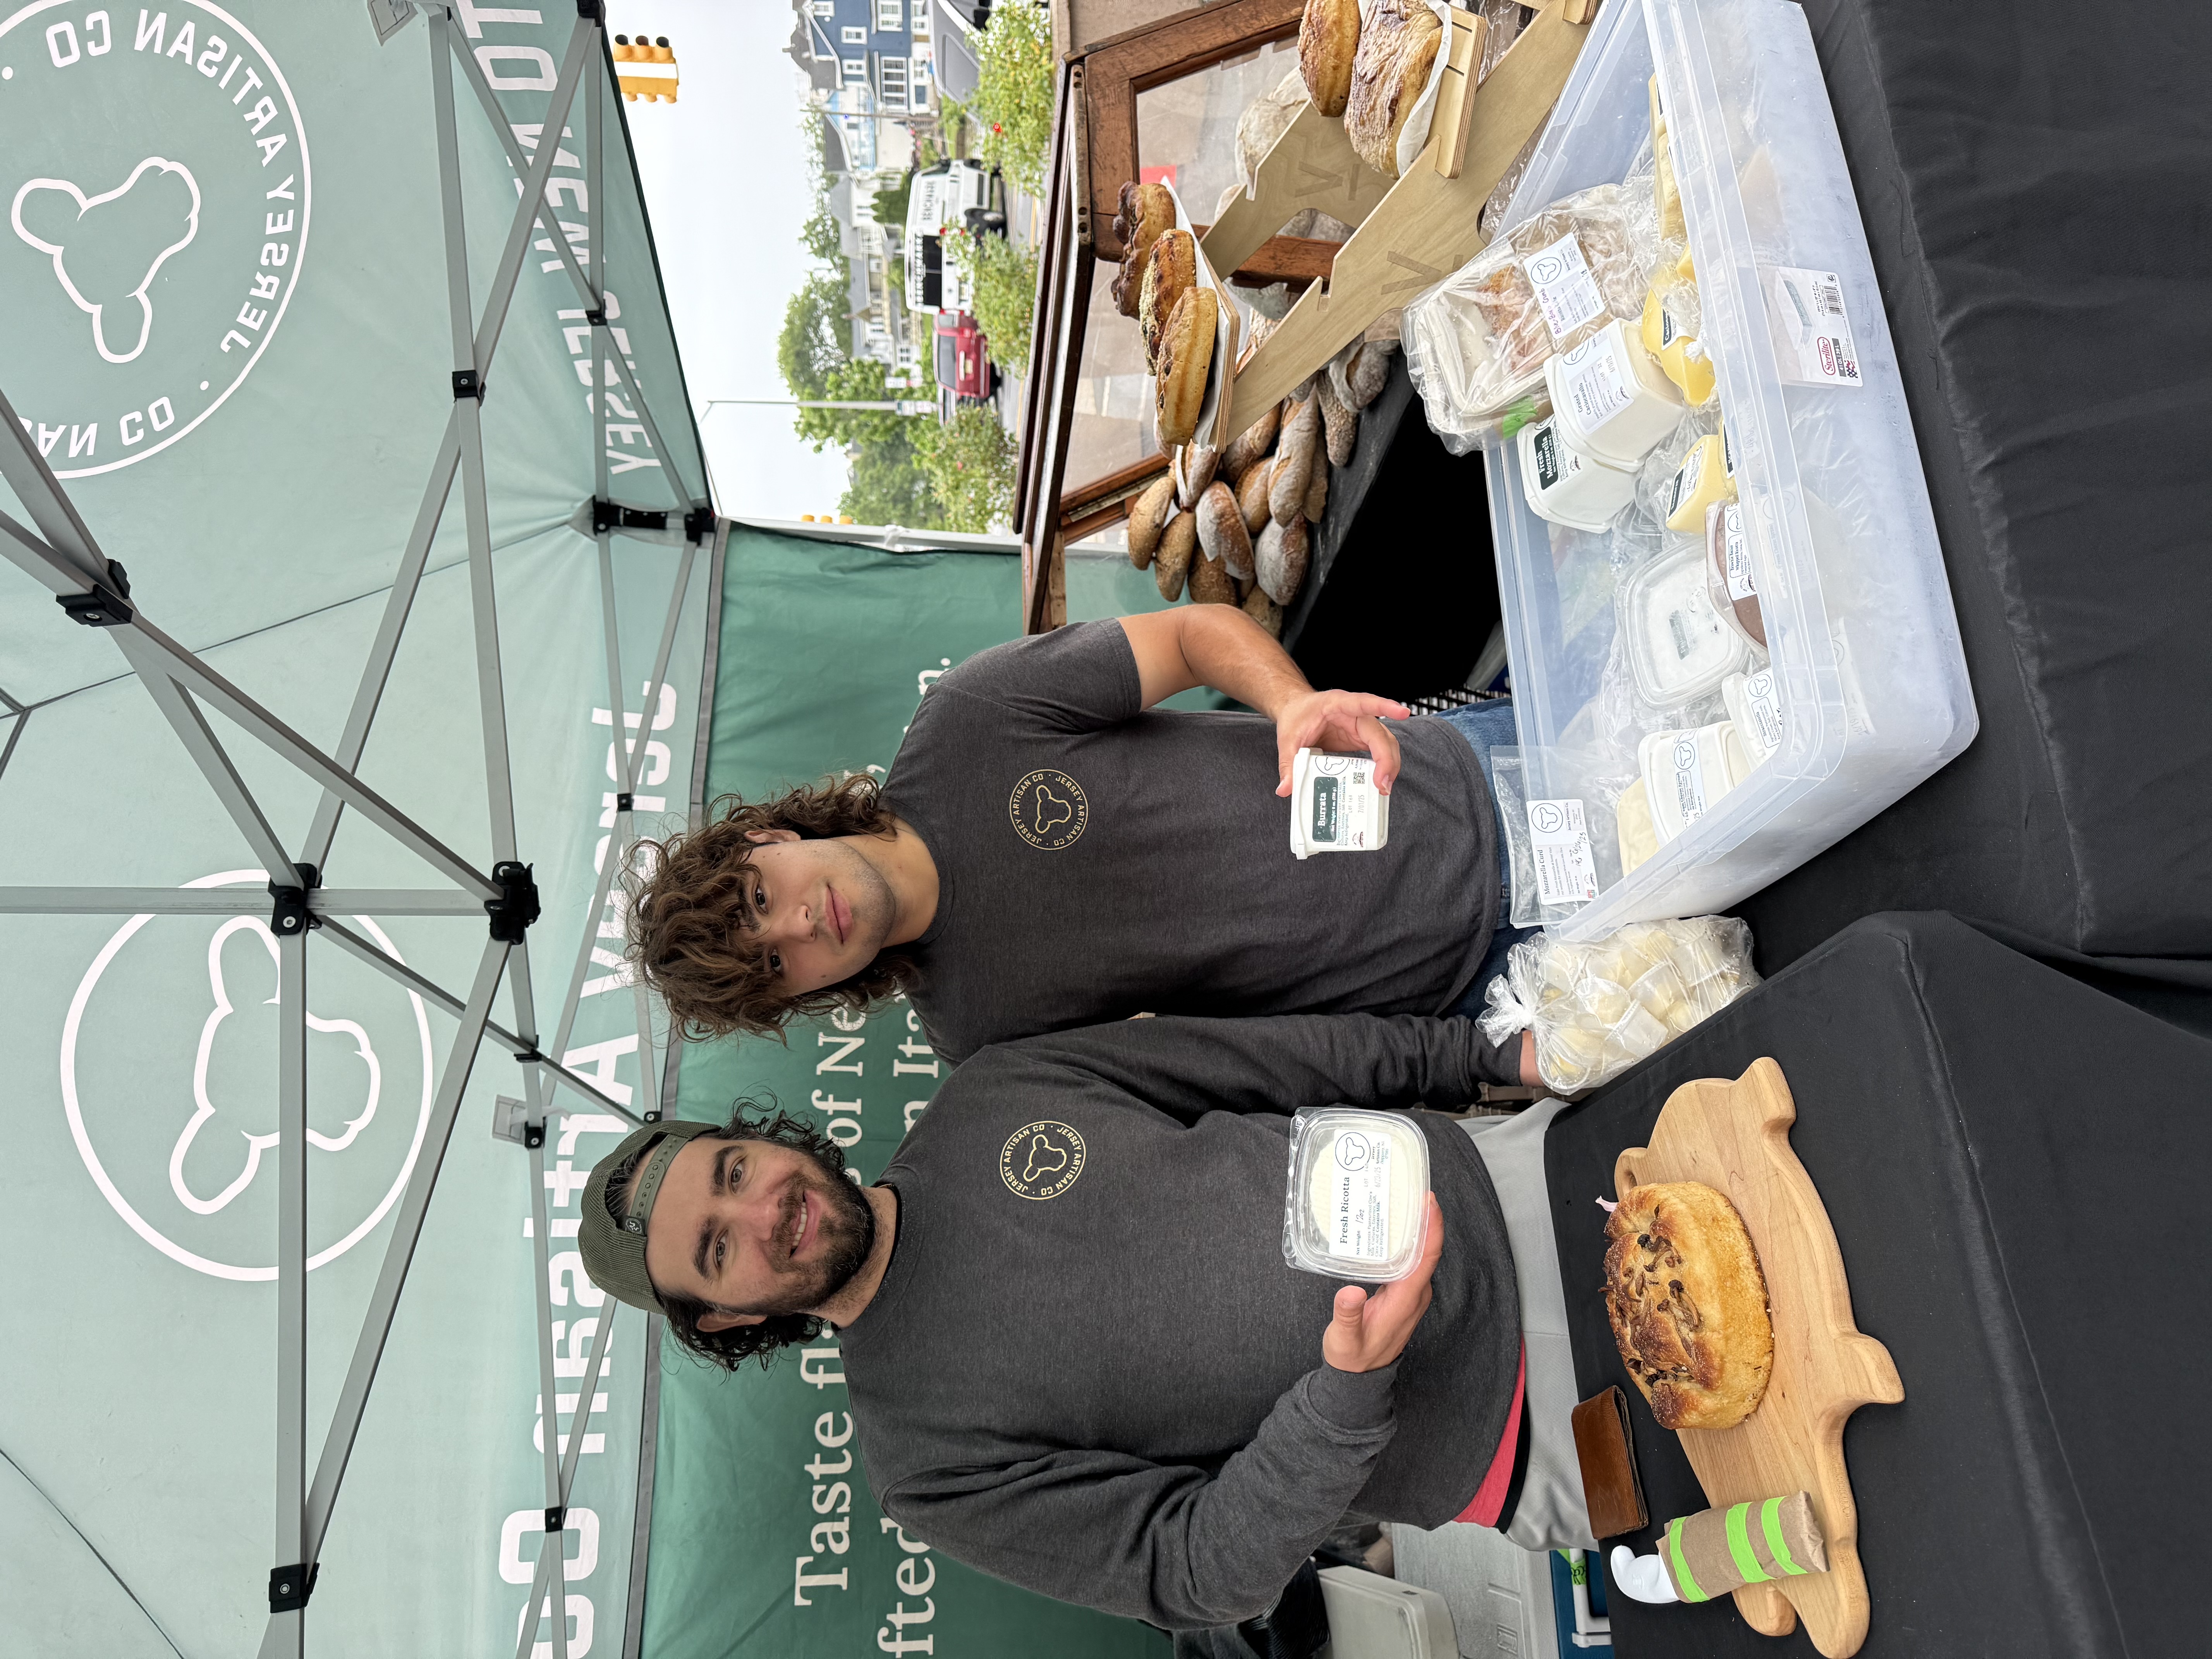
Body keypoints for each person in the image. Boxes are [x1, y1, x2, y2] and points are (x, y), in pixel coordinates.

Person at [575, 1012, 1592, 1630]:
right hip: (1526, 1428)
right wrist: (1340, 1396)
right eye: (720, 1245)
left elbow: (1268, 1059)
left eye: (734, 1170)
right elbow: (1191, 1571)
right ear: (728, 1317)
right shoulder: (923, 1463)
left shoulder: (987, 1091)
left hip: (1512, 1170)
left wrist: (1478, 1052)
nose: (765, 1211)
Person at [625, 605, 1536, 1069]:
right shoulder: (979, 1042)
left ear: (772, 835)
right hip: (1479, 992)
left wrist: (1291, 701)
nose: (797, 926)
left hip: (1470, 778)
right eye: (776, 967)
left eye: (758, 898)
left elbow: (1189, 635)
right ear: (806, 997)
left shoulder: (965, 723)